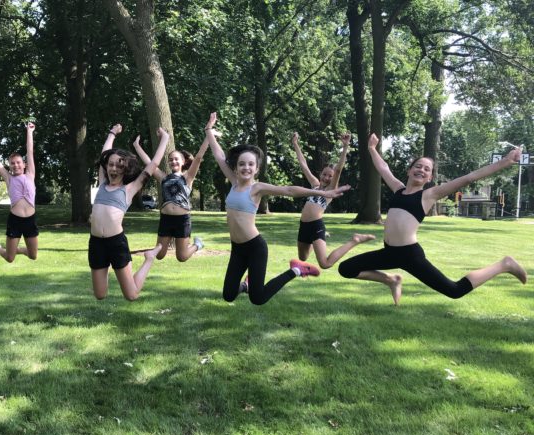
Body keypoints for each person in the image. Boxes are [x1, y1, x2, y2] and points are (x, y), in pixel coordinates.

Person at [338, 134, 527, 304]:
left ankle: (505, 264)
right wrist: (372, 148)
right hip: (388, 252)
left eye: (427, 169)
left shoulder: (428, 195)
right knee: (346, 269)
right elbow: (383, 168)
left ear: (429, 178)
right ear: (409, 170)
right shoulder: (398, 189)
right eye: (418, 166)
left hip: (410, 255)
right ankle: (391, 280)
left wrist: (505, 161)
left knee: (455, 290)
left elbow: (469, 178)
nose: (421, 170)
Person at [204, 113, 347, 305]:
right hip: (237, 248)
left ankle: (296, 270)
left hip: (255, 247)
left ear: (256, 169)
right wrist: (209, 130)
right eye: (241, 164)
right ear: (236, 168)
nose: (246, 167)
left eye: (251, 164)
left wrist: (320, 193)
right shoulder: (233, 182)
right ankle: (246, 285)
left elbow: (288, 190)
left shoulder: (257, 188)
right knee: (228, 295)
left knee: (258, 298)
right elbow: (219, 155)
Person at [90, 124, 170, 300]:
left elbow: (153, 164)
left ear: (125, 169)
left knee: (131, 295)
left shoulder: (129, 189)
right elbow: (105, 153)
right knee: (100, 295)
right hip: (96, 243)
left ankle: (149, 258)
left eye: (119, 166)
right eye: (111, 165)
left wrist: (165, 139)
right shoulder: (102, 183)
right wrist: (112, 133)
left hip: (116, 243)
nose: (113, 169)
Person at [292, 131, 375, 267]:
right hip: (303, 225)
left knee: (325, 264)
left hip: (316, 226)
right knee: (303, 257)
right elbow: (303, 165)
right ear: (320, 174)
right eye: (324, 174)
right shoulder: (314, 185)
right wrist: (295, 144)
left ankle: (355, 240)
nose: (326, 178)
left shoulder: (330, 190)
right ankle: (321, 237)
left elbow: (338, 170)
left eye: (330, 176)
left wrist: (345, 146)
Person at [132, 133, 208, 261]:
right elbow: (150, 163)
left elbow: (198, 158)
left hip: (182, 220)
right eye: (171, 159)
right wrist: (137, 146)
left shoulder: (187, 177)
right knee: (160, 255)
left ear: (183, 161)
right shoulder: (163, 178)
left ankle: (197, 245)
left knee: (182, 257)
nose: (173, 161)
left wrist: (208, 136)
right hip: (166, 219)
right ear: (168, 162)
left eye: (176, 159)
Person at [0, 123, 38, 263]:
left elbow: (30, 151)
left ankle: (18, 249)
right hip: (15, 220)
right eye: (12, 163)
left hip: (30, 220)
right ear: (9, 166)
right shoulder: (9, 179)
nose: (16, 165)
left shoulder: (30, 174)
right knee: (10, 258)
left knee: (33, 256)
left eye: (18, 162)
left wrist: (29, 132)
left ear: (24, 164)